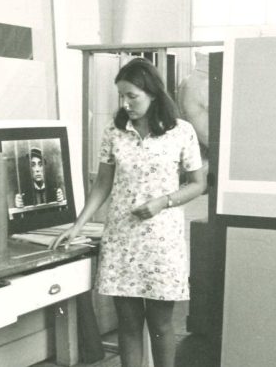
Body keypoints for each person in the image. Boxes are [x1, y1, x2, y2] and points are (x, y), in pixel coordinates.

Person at [49, 57, 206, 367]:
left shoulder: (181, 131)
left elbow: (198, 184)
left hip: (162, 242)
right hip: (122, 239)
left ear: (153, 93)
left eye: (132, 95)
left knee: (161, 327)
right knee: (129, 326)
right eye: (121, 95)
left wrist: (164, 201)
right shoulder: (114, 132)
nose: (125, 103)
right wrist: (78, 225)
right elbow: (103, 183)